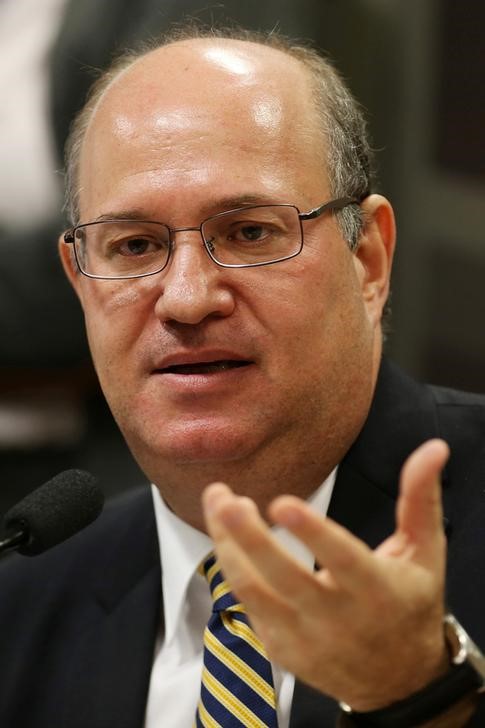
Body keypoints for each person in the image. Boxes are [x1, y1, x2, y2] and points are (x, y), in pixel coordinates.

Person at [1, 25, 485, 728]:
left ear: (369, 260)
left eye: (249, 232)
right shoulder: (24, 605)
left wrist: (424, 699)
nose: (188, 298)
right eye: (134, 246)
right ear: (80, 283)